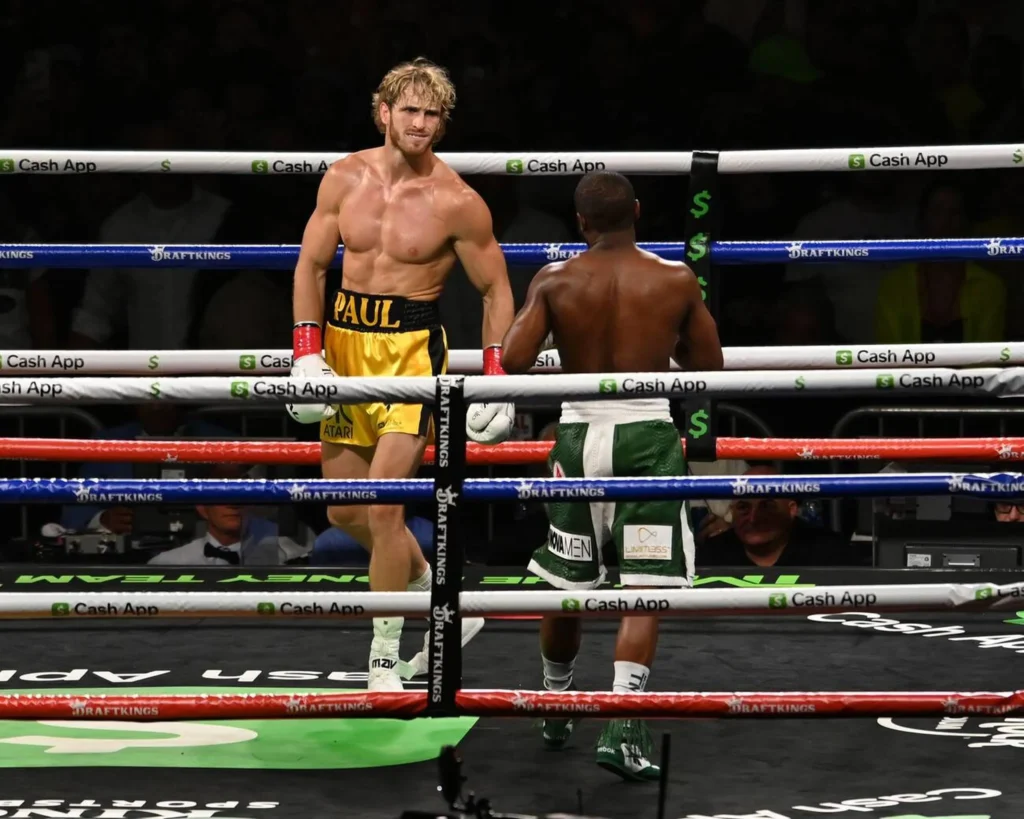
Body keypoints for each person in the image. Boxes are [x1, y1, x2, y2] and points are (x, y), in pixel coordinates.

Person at [286, 58, 516, 691]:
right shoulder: (343, 177)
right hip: (343, 346)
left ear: (443, 123)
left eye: (432, 113)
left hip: (412, 355)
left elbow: (497, 290)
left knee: (384, 512)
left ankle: (384, 657)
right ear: (383, 111)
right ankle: (431, 586)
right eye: (409, 110)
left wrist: (494, 375)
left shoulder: (456, 201)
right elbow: (311, 268)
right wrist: (306, 351)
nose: (419, 123)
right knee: (342, 512)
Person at [501, 170, 723, 782]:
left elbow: (513, 359)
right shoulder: (674, 279)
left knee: (563, 581)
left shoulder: (555, 278)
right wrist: (659, 339)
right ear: (639, 212)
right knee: (643, 586)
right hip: (647, 438)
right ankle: (623, 726)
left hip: (576, 439)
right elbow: (708, 362)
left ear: (580, 223)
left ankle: (556, 702)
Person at [694, 465, 856, 567]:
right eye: (743, 507)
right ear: (732, 511)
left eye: (766, 506)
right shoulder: (712, 555)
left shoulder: (829, 552)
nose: (753, 518)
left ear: (791, 509)